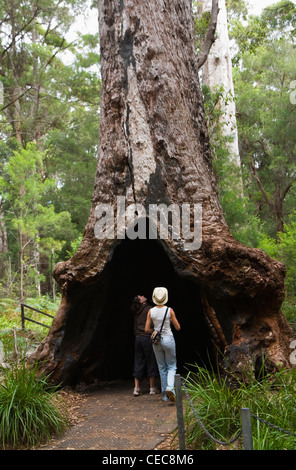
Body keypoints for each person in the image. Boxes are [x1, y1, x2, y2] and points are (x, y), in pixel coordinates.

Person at [145, 287, 180, 402]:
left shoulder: (151, 311)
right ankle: (170, 388)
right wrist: (169, 322)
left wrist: (154, 330)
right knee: (171, 366)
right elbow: (178, 327)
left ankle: (165, 396)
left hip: (156, 341)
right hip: (168, 338)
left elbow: (146, 329)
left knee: (162, 367)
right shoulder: (169, 310)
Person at [131, 294, 159, 397]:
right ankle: (152, 388)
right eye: (141, 296)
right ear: (141, 301)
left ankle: (136, 388)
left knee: (138, 361)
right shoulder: (149, 309)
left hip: (138, 338)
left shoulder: (136, 310)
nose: (143, 296)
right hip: (147, 337)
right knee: (151, 360)